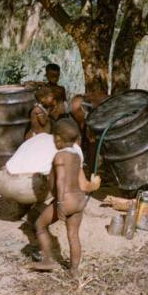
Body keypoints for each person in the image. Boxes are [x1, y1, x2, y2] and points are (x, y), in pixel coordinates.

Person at [29, 119, 101, 278]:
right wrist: (94, 184)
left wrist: (60, 203)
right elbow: (83, 184)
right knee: (73, 235)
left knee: (40, 225)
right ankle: (74, 270)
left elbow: (61, 180)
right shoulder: (77, 158)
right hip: (79, 201)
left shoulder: (59, 156)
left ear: (58, 138)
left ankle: (47, 260)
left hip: (65, 200)